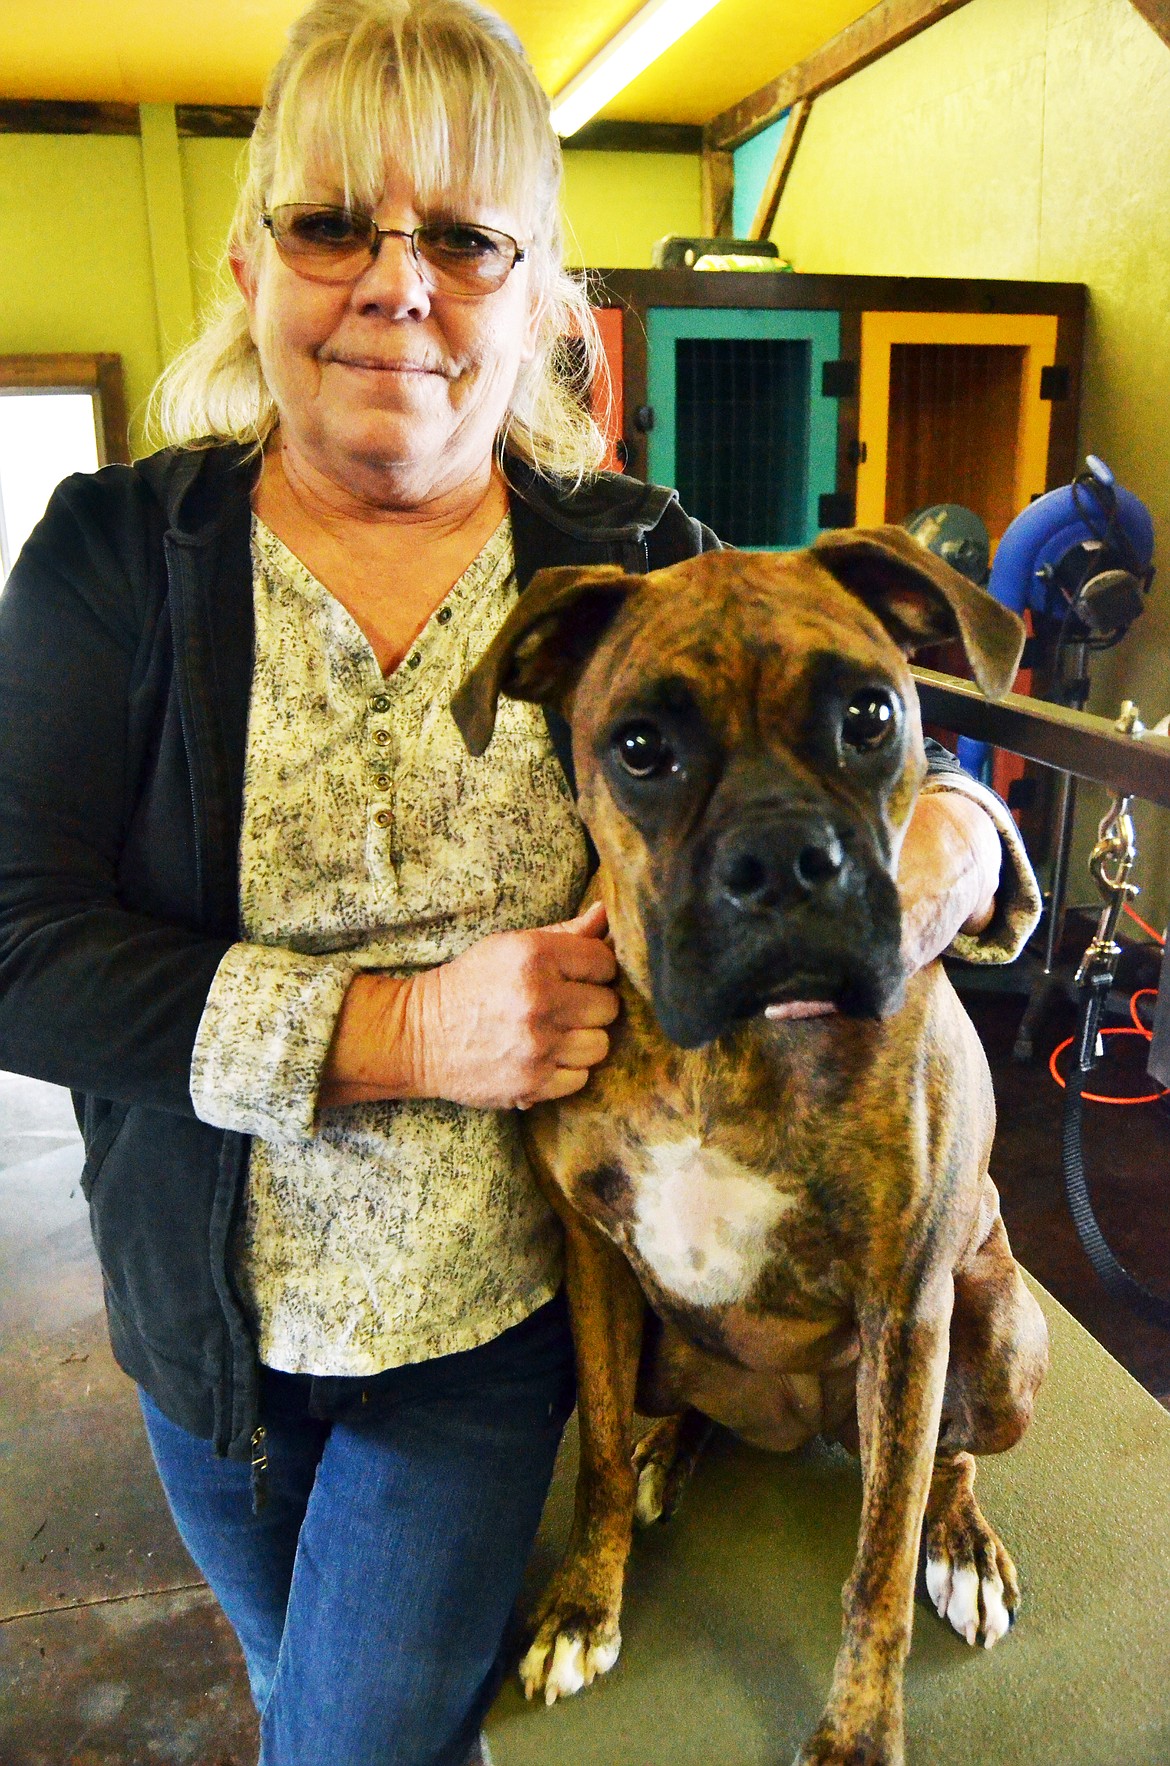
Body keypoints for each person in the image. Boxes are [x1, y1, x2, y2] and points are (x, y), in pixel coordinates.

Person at [0, 2, 1040, 1761]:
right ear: (253, 259)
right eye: (335, 222)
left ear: (546, 296)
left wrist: (943, 843)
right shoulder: (120, 552)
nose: (398, 285)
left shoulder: (633, 554)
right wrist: (405, 1028)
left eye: (467, 237)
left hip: (495, 1331)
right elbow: (15, 946)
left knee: (350, 1739)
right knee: (305, 1701)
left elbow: (841, 727)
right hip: (205, 1332)